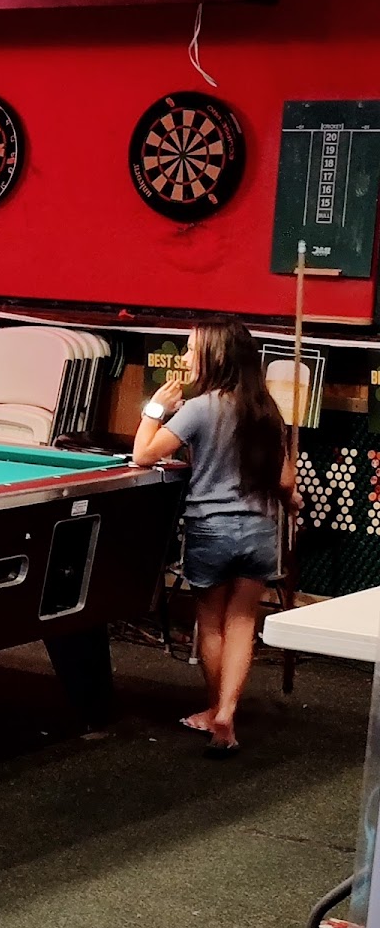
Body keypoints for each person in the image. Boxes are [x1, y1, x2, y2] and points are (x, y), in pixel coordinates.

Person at [133, 318, 300, 757]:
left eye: (192, 349)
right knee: (243, 622)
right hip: (260, 530)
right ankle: (227, 712)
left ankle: (214, 709)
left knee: (210, 622)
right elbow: (285, 481)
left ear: (215, 356)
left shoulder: (200, 408)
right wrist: (292, 501)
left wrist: (154, 409)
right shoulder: (266, 410)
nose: (187, 357)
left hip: (211, 529)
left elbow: (143, 454)